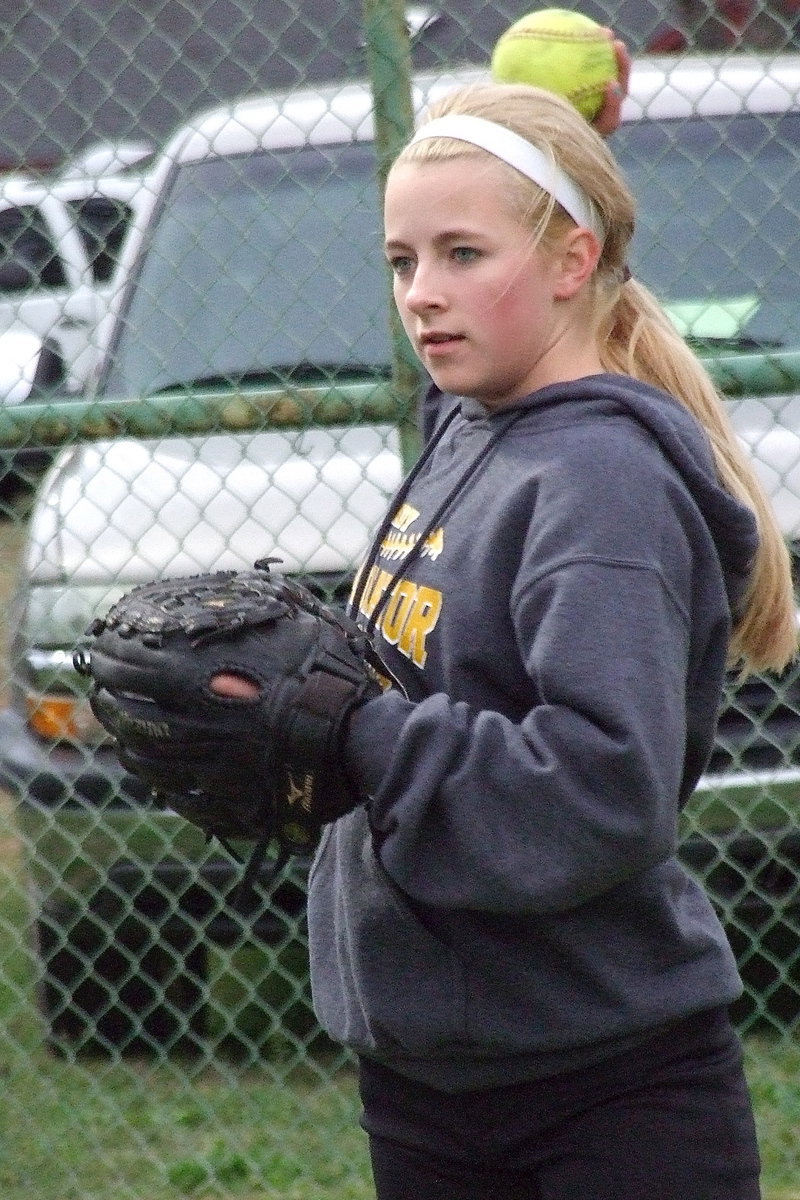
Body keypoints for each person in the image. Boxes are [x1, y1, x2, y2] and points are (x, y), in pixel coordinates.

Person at [300, 81, 797, 1200]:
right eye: (400, 261)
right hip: (434, 1075)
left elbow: (601, 786)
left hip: (598, 1095)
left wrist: (362, 734)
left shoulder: (599, 484)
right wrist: (287, 732)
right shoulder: (473, 429)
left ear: (572, 261)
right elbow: (420, 692)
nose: (421, 295)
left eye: (463, 253)